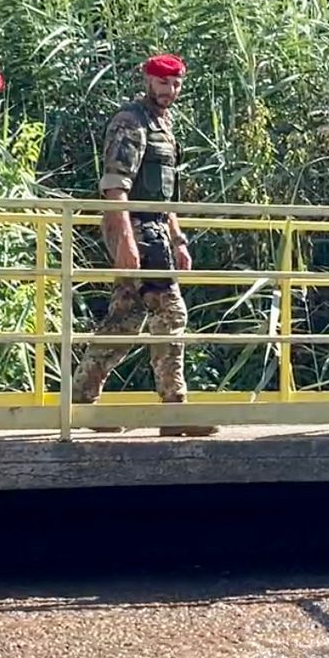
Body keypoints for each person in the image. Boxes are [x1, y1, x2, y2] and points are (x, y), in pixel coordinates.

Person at [70, 54, 217, 437]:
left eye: (176, 84)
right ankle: (174, 410)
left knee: (125, 320)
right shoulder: (131, 122)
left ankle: (80, 399)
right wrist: (126, 241)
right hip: (136, 226)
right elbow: (115, 187)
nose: (169, 91)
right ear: (147, 81)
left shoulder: (164, 127)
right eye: (162, 83)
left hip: (155, 227)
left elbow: (165, 197)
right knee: (171, 313)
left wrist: (178, 238)